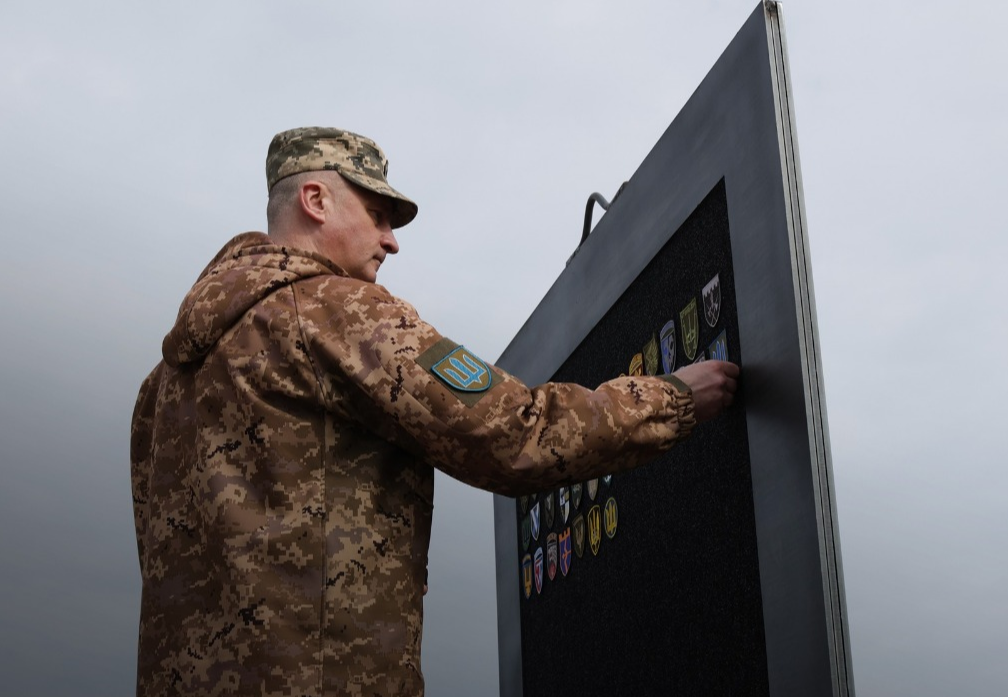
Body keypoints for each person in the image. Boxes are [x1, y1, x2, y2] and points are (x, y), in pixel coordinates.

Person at [130, 126, 740, 696]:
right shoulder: (336, 310)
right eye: (376, 215)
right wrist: (675, 398)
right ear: (315, 200)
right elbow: (513, 433)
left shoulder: (161, 388)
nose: (392, 240)